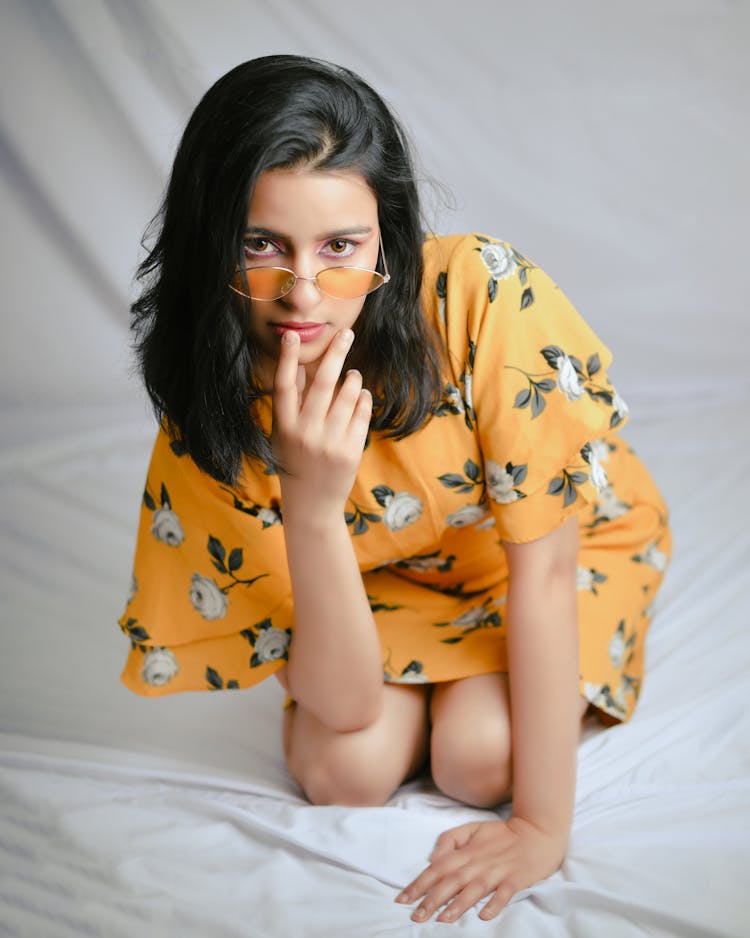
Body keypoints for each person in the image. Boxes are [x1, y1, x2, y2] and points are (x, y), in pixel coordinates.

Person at [120, 54, 670, 924]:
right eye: (262, 245)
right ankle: (429, 689)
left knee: (480, 761)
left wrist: (538, 825)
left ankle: (463, 709)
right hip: (371, 582)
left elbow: (546, 571)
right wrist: (309, 502)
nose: (305, 293)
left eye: (341, 247)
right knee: (345, 772)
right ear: (213, 234)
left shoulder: (481, 297)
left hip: (524, 557)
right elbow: (340, 710)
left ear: (388, 233)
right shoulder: (214, 401)